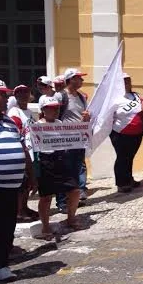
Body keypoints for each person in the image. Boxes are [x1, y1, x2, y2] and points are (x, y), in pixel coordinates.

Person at [0, 78, 36, 283]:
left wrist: (31, 175)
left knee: (4, 228)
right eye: (2, 94)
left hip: (10, 187)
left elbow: (22, 148)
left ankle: (0, 267)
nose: (7, 98)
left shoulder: (9, 122)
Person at [36, 96, 80, 238]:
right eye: (51, 108)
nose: (55, 110)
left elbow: (72, 137)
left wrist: (84, 123)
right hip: (46, 162)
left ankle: (70, 218)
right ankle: (45, 226)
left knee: (74, 190)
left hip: (61, 159)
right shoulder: (37, 126)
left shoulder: (60, 123)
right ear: (43, 110)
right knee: (46, 197)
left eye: (57, 108)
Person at [59, 68, 91, 210]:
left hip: (79, 139)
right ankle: (62, 202)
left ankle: (73, 200)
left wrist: (86, 119)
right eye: (79, 78)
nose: (82, 81)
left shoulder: (81, 97)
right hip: (65, 140)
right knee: (64, 171)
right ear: (71, 79)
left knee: (77, 170)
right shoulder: (61, 96)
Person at [7, 85, 38, 222]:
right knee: (23, 182)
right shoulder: (15, 112)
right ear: (16, 96)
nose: (24, 95)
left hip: (31, 148)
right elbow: (17, 131)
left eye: (26, 92)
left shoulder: (29, 112)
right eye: (20, 93)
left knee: (28, 182)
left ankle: (24, 207)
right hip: (22, 149)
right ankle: (19, 211)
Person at [110, 74, 143, 193]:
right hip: (120, 133)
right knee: (122, 157)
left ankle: (129, 178)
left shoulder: (135, 95)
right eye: (124, 82)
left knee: (130, 157)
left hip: (136, 133)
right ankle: (121, 183)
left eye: (129, 81)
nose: (127, 84)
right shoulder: (114, 98)